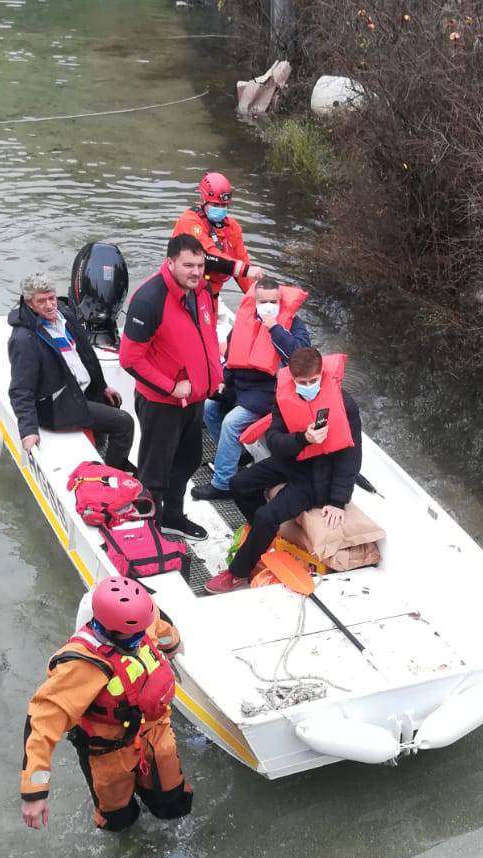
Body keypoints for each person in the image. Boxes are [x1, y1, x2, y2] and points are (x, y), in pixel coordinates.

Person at [20, 576, 193, 833]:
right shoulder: (82, 665)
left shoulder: (145, 619)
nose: (140, 637)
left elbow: (163, 628)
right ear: (108, 628)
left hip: (154, 734)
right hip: (108, 753)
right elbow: (42, 723)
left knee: (174, 802)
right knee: (119, 820)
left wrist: (173, 646)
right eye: (132, 635)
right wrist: (34, 793)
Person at [204, 346, 362, 594]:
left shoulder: (344, 404)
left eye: (313, 381)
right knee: (238, 483)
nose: (308, 386)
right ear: (294, 379)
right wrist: (303, 439)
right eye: (302, 382)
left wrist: (338, 500)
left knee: (268, 516)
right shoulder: (284, 396)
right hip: (292, 460)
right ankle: (261, 535)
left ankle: (238, 573)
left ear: (321, 375)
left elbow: (351, 455)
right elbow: (275, 441)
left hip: (318, 477)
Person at [118, 233, 222, 543]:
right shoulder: (150, 299)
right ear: (170, 263)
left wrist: (214, 377)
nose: (195, 271)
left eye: (200, 265)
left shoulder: (201, 290)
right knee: (154, 472)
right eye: (188, 264)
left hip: (195, 398)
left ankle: (172, 517)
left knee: (189, 459)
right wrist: (170, 387)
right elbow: (130, 358)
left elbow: (207, 336)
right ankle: (149, 533)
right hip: (162, 402)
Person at [193, 281, 311, 502]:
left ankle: (223, 484)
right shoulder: (245, 319)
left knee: (231, 423)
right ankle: (238, 455)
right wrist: (224, 382)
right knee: (209, 408)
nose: (268, 306)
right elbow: (231, 355)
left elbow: (300, 358)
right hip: (239, 384)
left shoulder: (293, 324)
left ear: (280, 302)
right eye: (263, 301)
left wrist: (275, 328)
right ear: (255, 302)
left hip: (267, 392)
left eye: (273, 302)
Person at [8, 273, 134, 466]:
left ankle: (98, 452)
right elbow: (21, 390)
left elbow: (86, 354)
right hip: (57, 405)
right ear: (29, 304)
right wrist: (28, 431)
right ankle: (112, 476)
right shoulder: (24, 340)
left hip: (78, 391)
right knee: (125, 423)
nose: (50, 305)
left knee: (112, 402)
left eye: (51, 298)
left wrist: (102, 387)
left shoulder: (63, 313)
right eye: (41, 301)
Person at [171, 172, 263, 307]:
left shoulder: (232, 227)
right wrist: (245, 270)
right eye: (216, 205)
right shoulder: (190, 221)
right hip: (185, 294)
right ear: (203, 200)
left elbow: (242, 260)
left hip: (211, 296)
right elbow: (207, 256)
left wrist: (260, 295)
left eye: (224, 206)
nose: (221, 209)